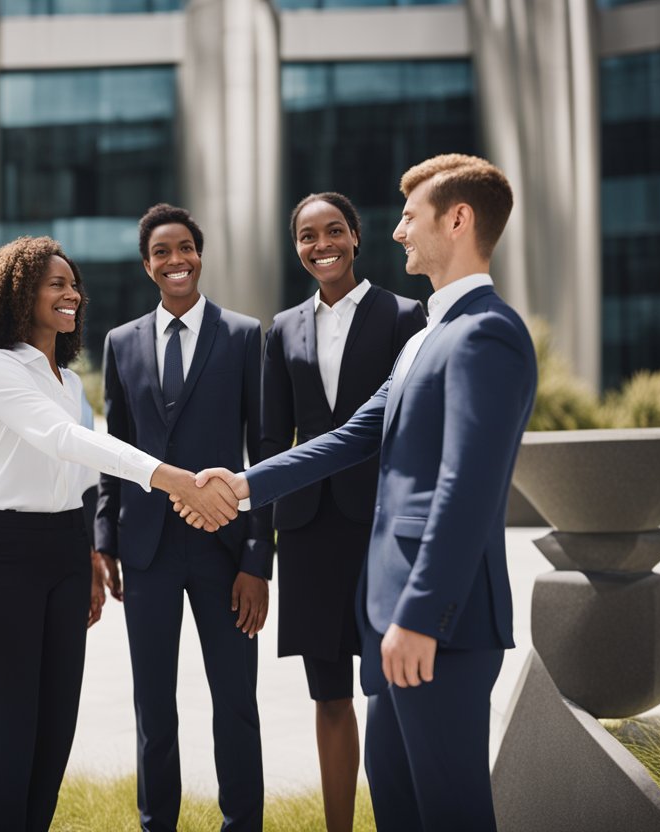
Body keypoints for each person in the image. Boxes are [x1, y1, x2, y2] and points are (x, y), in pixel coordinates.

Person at [190, 154, 536, 832]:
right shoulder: (425, 340)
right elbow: (350, 437)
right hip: (391, 622)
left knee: (452, 814)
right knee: (400, 811)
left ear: (458, 220)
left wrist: (420, 615)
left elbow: (466, 488)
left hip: (440, 627)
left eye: (411, 217)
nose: (400, 232)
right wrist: (243, 484)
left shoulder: (486, 334)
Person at [0, 235, 238, 832]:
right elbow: (66, 440)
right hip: (8, 557)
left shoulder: (65, 377)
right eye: (54, 285)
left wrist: (87, 556)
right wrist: (169, 479)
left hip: (63, 549)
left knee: (56, 730)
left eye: (73, 285)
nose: (71, 295)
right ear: (17, 294)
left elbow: (82, 475)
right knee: (12, 732)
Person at [95, 203, 270, 832]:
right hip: (146, 554)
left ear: (201, 254)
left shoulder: (247, 335)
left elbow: (266, 456)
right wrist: (105, 540)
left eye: (186, 248)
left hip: (227, 554)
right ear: (148, 265)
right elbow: (113, 448)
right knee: (153, 705)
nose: (176, 260)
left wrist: (257, 561)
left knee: (235, 701)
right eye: (162, 252)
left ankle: (242, 823)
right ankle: (155, 824)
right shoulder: (121, 343)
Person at [262, 192, 424, 832]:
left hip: (378, 525)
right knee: (329, 695)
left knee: (391, 692)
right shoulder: (282, 328)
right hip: (306, 532)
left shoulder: (404, 314)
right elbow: (272, 441)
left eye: (334, 231)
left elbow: (412, 428)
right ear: (296, 246)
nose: (321, 244)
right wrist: (261, 541)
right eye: (307, 236)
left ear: (357, 237)